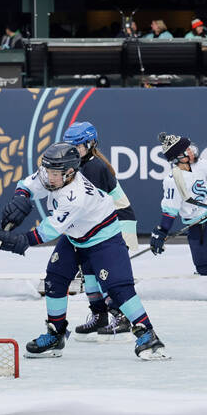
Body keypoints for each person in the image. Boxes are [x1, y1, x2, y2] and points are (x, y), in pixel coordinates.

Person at [0, 143, 169, 360]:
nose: (47, 176)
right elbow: (28, 184)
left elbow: (47, 232)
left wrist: (18, 241)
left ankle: (148, 334)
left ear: (69, 173)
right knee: (54, 278)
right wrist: (20, 196)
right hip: (76, 236)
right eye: (46, 170)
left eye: (53, 173)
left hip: (104, 237)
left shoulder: (75, 196)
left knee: (117, 287)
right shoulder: (53, 174)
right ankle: (56, 334)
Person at [64, 122, 139, 341]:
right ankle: (100, 316)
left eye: (77, 146)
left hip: (117, 223)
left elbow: (87, 206)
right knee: (89, 272)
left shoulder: (94, 168)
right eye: (70, 146)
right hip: (97, 226)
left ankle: (121, 316)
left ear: (90, 144)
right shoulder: (79, 165)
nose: (73, 151)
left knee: (106, 274)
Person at [152, 134, 207, 276]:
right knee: (205, 269)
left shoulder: (202, 164)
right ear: (178, 157)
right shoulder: (172, 181)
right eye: (187, 149)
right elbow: (170, 211)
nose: (192, 150)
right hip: (196, 223)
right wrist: (162, 231)